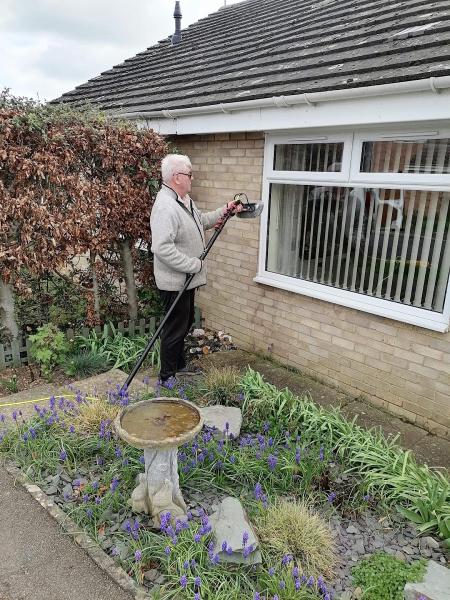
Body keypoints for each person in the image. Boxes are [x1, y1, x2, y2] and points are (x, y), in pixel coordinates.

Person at [150, 154, 241, 384]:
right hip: (174, 281)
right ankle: (167, 377)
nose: (192, 179)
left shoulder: (184, 200)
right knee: (174, 329)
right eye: (189, 175)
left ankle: (178, 367)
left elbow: (201, 220)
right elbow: (161, 248)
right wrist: (194, 264)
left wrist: (225, 210)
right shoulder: (165, 206)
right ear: (177, 177)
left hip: (186, 280)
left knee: (185, 322)